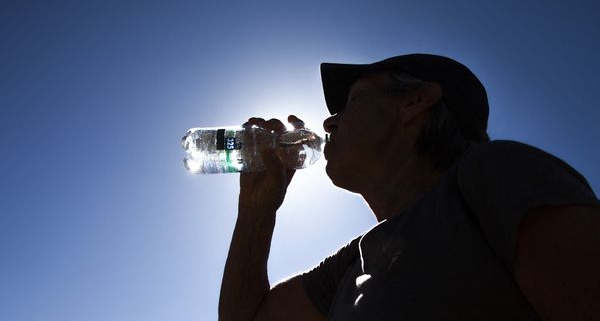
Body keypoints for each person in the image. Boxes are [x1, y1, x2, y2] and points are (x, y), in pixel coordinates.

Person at [218, 53, 600, 320]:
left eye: (351, 101)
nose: (330, 123)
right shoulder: (350, 263)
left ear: (415, 101)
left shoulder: (494, 172)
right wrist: (256, 209)